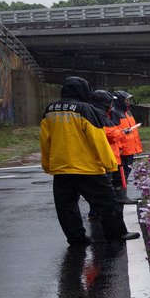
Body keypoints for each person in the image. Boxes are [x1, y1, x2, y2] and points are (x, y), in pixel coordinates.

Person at [39, 77, 138, 244]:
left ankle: (76, 238)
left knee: (66, 207)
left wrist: (48, 165)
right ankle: (116, 233)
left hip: (61, 168)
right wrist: (110, 164)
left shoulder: (50, 110)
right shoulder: (85, 109)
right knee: (107, 202)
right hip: (87, 167)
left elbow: (45, 140)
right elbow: (97, 139)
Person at [91, 89, 129, 202]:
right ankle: (99, 213)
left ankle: (101, 210)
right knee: (103, 186)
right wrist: (122, 132)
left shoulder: (100, 113)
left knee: (104, 185)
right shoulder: (100, 115)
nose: (112, 104)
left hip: (107, 155)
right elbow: (112, 134)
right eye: (110, 102)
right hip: (105, 156)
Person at [114, 90, 144, 181]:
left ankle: (121, 188)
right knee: (120, 175)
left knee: (127, 171)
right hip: (122, 149)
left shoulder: (128, 112)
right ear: (120, 100)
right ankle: (119, 191)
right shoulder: (114, 113)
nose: (128, 102)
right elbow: (113, 132)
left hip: (130, 148)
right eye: (126, 100)